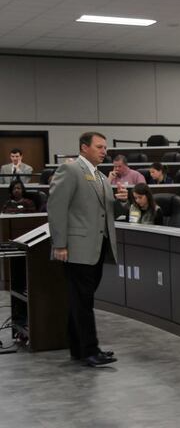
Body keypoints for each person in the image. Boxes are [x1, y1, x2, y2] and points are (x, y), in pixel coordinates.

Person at [48, 131, 118, 366]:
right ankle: (90, 350)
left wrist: (123, 198)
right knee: (83, 301)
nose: (104, 150)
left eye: (105, 147)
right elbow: (56, 207)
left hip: (97, 248)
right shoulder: (70, 170)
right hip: (77, 248)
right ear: (84, 147)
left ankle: (78, 348)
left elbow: (104, 209)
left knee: (80, 300)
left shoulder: (100, 176)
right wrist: (59, 244)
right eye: (99, 146)